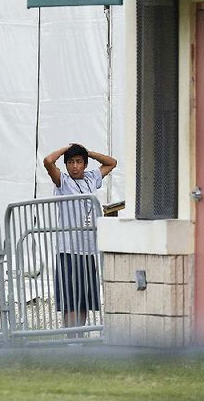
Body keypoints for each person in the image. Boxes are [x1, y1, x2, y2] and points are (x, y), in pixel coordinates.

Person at [44, 143, 117, 335]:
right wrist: (65, 148)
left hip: (88, 247)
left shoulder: (92, 178)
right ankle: (70, 335)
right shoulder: (63, 181)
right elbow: (48, 161)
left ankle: (80, 333)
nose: (75, 166)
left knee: (84, 294)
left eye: (78, 162)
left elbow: (111, 163)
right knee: (70, 295)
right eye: (70, 162)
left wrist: (89, 152)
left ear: (84, 164)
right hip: (68, 246)